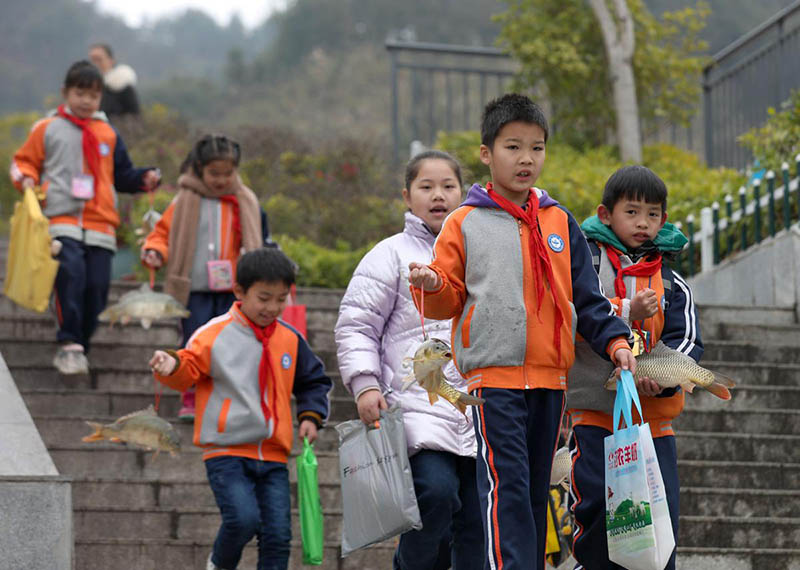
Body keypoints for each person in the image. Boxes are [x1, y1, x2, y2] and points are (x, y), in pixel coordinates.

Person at [407, 93, 636, 570]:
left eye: (537, 147)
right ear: (487, 153)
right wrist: (432, 283)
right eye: (513, 147)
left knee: (534, 492)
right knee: (505, 486)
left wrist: (615, 341)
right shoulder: (463, 221)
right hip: (493, 380)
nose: (526, 158)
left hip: (551, 381)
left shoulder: (560, 221)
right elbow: (447, 296)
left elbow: (587, 299)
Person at [335, 150, 483, 570]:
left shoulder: (481, 252)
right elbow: (356, 327)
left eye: (448, 186)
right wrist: (365, 385)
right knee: (434, 494)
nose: (438, 195)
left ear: (464, 192)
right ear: (407, 196)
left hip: (479, 407)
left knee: (475, 522)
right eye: (426, 187)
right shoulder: (388, 256)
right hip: (417, 408)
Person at [149, 247, 332, 570]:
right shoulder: (213, 333)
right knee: (243, 520)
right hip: (227, 452)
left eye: (280, 299)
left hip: (274, 455)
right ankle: (219, 564)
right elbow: (187, 369)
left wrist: (310, 416)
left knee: (277, 538)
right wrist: (169, 364)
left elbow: (313, 381)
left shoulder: (291, 339)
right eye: (263, 298)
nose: (273, 307)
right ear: (239, 292)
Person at [567, 165, 702, 570]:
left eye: (654, 214)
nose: (643, 223)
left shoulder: (672, 282)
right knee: (595, 512)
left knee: (658, 525)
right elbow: (576, 313)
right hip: (595, 414)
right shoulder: (587, 265)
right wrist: (626, 311)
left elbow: (686, 340)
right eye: (632, 212)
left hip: (653, 422)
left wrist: (662, 382)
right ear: (605, 214)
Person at [9, 60, 160, 375]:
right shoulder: (47, 127)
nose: (86, 101)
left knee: (97, 289)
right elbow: (23, 161)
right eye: (80, 93)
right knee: (70, 275)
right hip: (61, 218)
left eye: (93, 95)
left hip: (100, 225)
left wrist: (143, 177)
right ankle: (68, 344)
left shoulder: (108, 133)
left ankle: (81, 345)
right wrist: (25, 178)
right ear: (65, 92)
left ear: (101, 98)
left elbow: (122, 175)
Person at [142, 134, 264, 421]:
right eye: (213, 173)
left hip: (233, 290)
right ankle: (192, 397)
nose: (220, 180)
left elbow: (257, 240)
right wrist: (155, 252)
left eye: (227, 173)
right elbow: (162, 233)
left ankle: (227, 399)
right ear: (198, 169)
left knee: (231, 343)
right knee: (195, 341)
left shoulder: (243, 200)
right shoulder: (185, 199)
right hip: (194, 288)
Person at [88, 43, 140, 118]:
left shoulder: (122, 84)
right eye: (92, 60)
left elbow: (135, 117)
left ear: (111, 61)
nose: (95, 64)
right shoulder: (87, 86)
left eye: (99, 59)